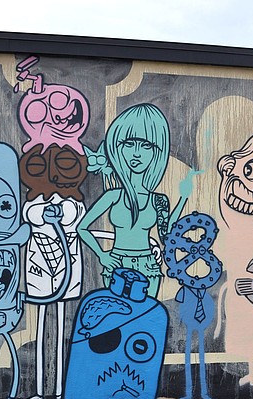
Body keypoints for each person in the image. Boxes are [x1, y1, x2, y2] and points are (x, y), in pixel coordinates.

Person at [78, 103, 196, 297]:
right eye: (129, 144)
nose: (137, 153)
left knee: (145, 314)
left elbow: (166, 235)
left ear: (157, 151)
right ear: (118, 147)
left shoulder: (158, 200)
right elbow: (82, 228)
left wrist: (183, 198)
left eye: (146, 146)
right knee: (118, 314)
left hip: (147, 266)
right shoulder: (113, 195)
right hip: (116, 263)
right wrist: (102, 255)